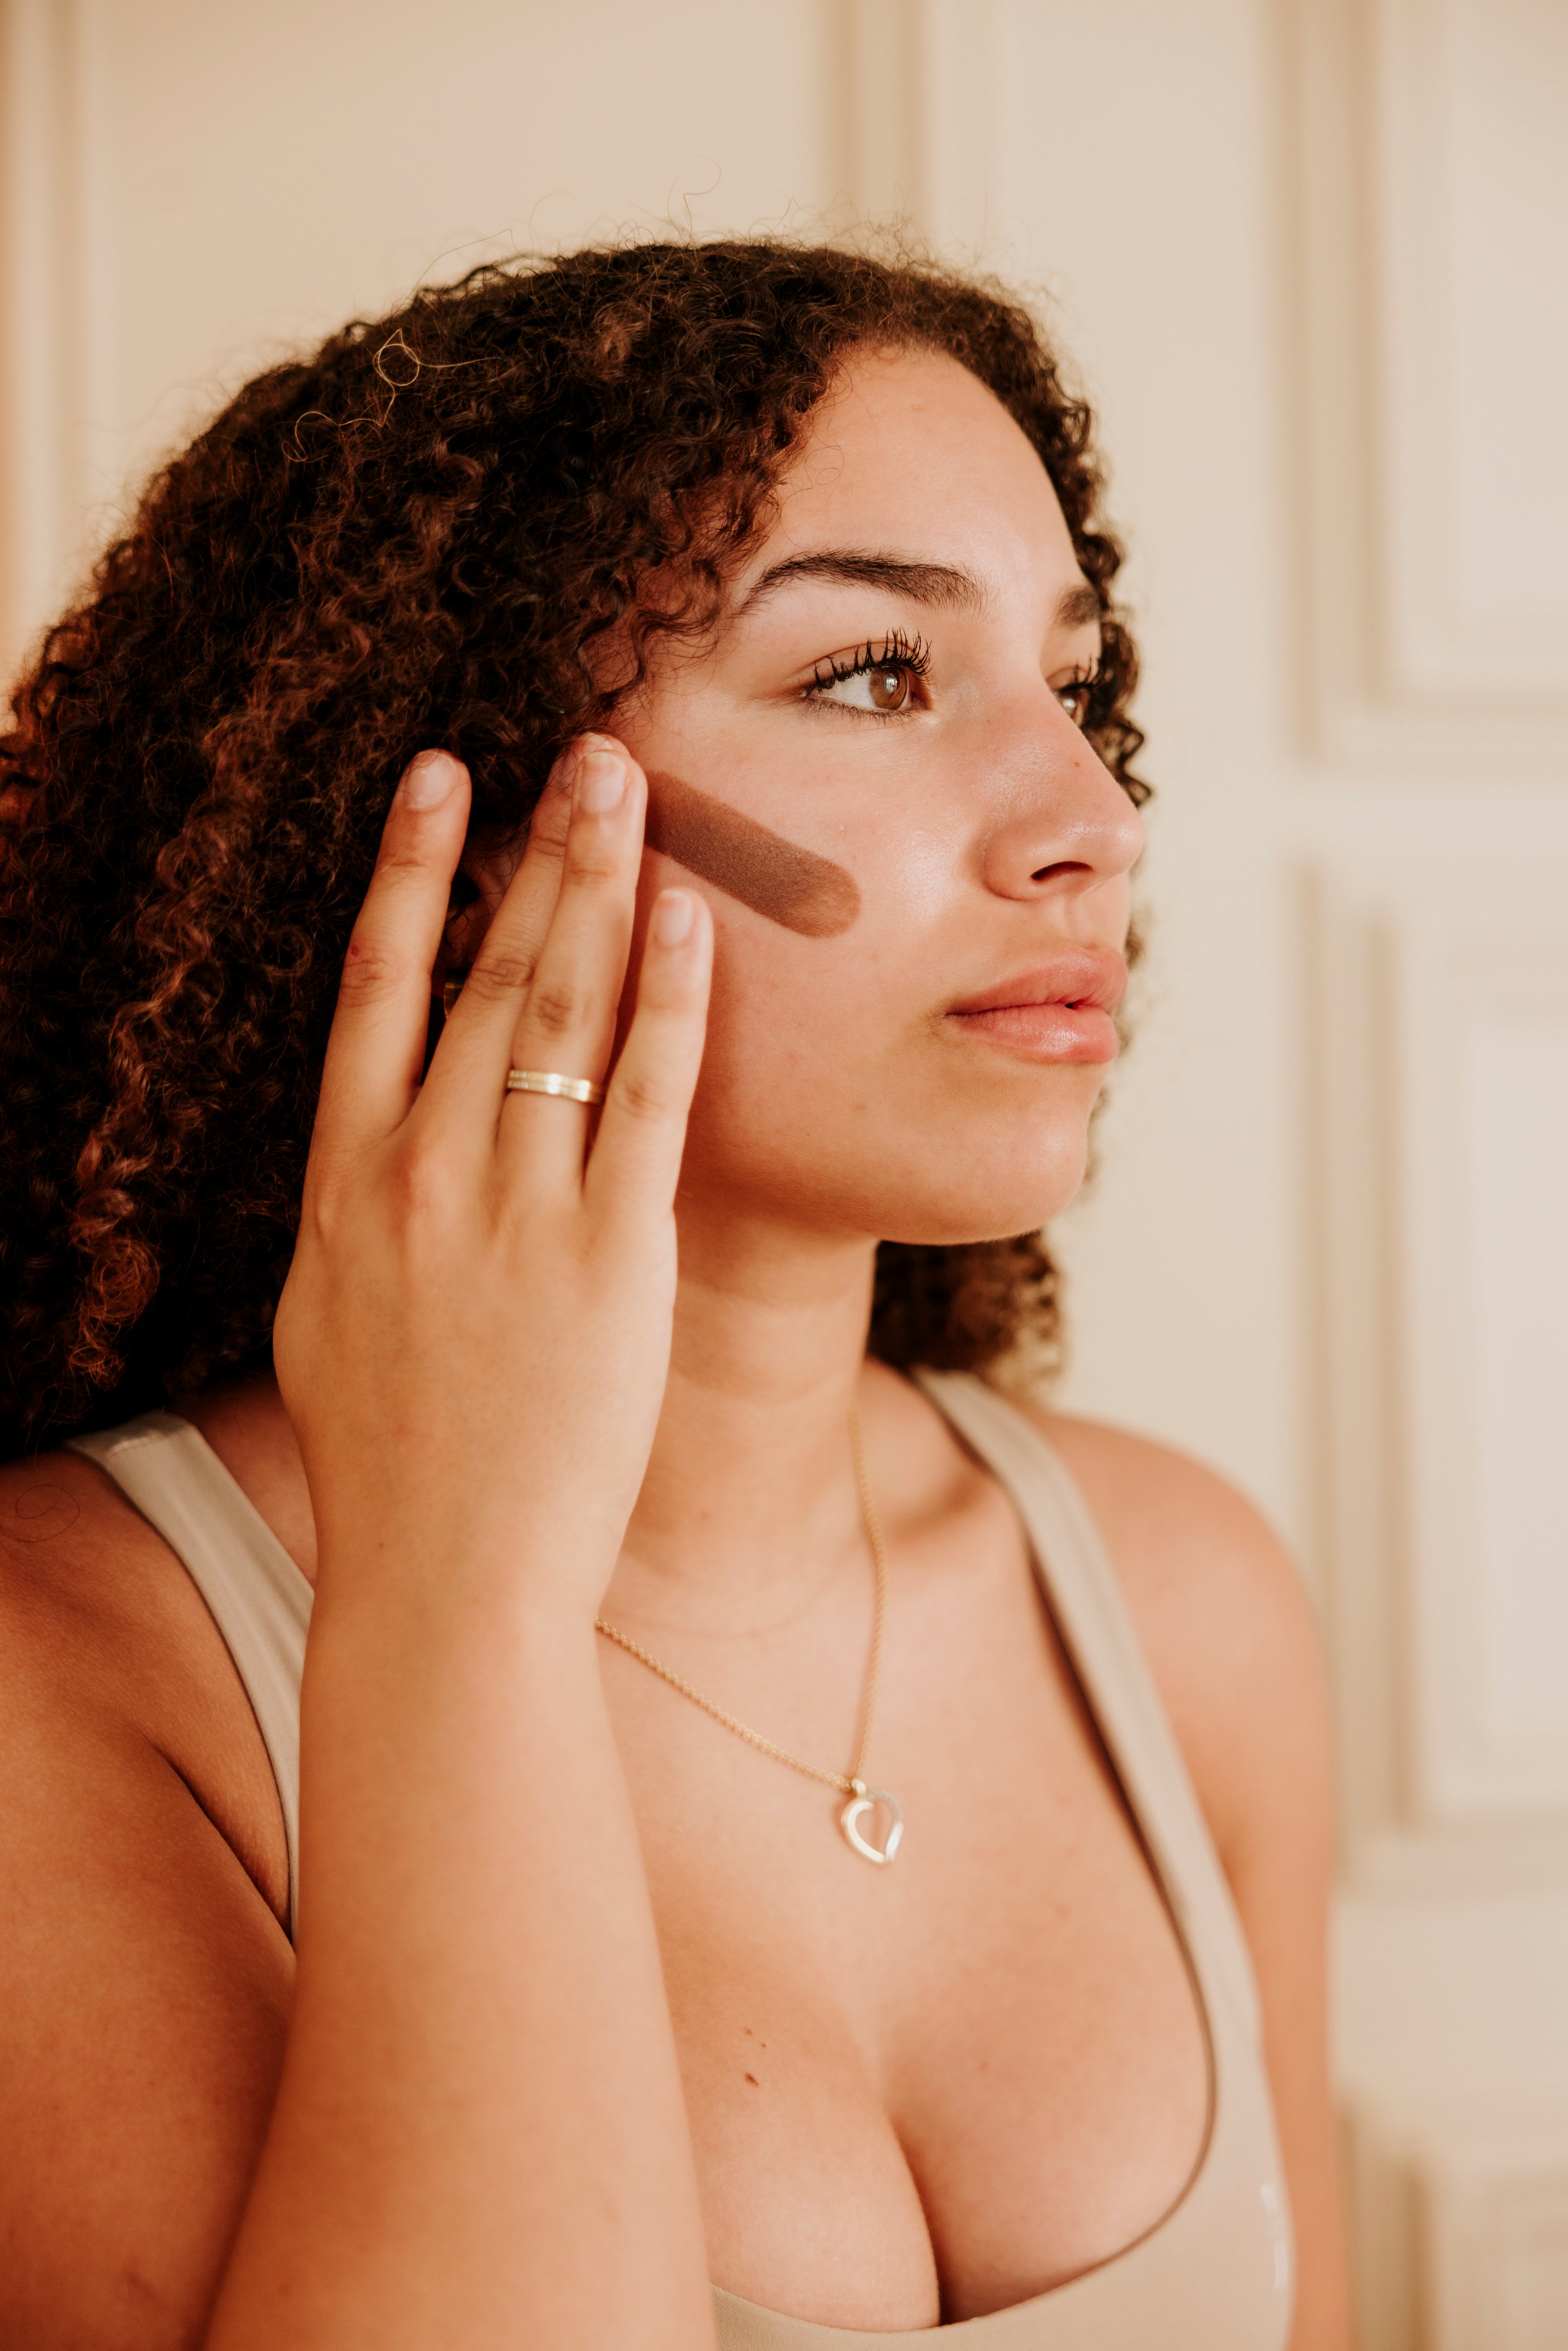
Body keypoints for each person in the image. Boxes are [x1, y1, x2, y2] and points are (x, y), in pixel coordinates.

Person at [0, 240, 1349, 2349]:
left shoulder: (1183, 1605)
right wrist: (459, 1603)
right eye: (875, 676)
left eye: (1072, 688)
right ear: (442, 800)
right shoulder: (59, 1690)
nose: (1089, 820)